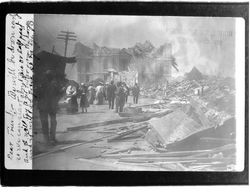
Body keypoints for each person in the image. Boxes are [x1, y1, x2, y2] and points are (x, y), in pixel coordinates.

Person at [36, 70, 63, 144]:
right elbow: (59, 95)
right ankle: (52, 138)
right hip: (51, 106)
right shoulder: (55, 84)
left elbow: (37, 95)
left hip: (43, 106)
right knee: (53, 122)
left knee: (45, 123)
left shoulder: (41, 84)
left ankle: (47, 139)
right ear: (51, 77)